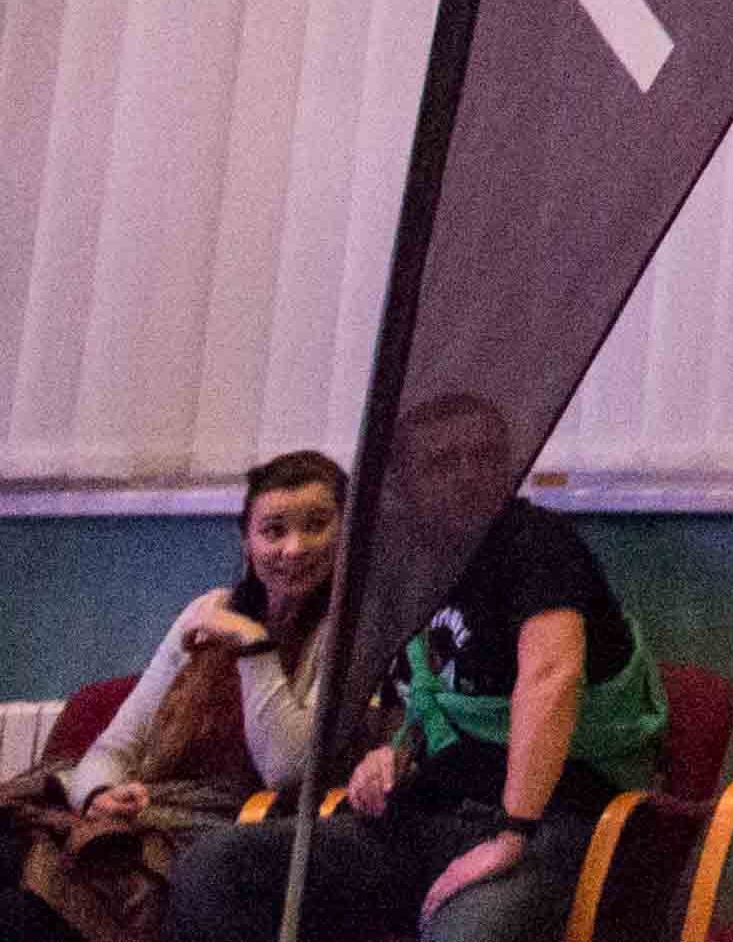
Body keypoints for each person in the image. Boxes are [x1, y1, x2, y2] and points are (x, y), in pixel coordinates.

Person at [168, 402, 666, 942]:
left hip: (542, 821)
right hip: (424, 815)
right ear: (407, 483)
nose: (467, 473)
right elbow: (421, 707)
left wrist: (511, 834)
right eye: (443, 461)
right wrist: (389, 756)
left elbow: (552, 675)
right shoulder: (412, 567)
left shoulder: (538, 542)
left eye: (484, 456)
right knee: (215, 867)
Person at [3, 454, 345, 942]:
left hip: (223, 836)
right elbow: (114, 746)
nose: (294, 548)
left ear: (346, 530)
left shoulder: (347, 631)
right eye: (274, 531)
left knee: (23, 910)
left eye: (316, 525)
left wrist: (253, 645)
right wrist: (100, 793)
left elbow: (287, 769)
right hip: (138, 813)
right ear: (247, 542)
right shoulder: (209, 609)